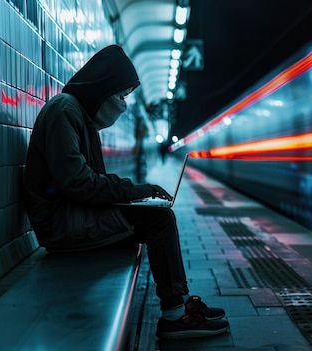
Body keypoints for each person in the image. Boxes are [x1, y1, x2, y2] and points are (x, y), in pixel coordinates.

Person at [23, 45, 229, 339]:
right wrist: (135, 191)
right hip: (63, 227)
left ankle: (181, 302)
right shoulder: (64, 111)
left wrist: (134, 196)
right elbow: (79, 183)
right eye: (120, 96)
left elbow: (87, 183)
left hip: (72, 217)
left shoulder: (78, 115)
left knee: (156, 216)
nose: (122, 104)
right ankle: (174, 315)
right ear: (103, 89)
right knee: (160, 222)